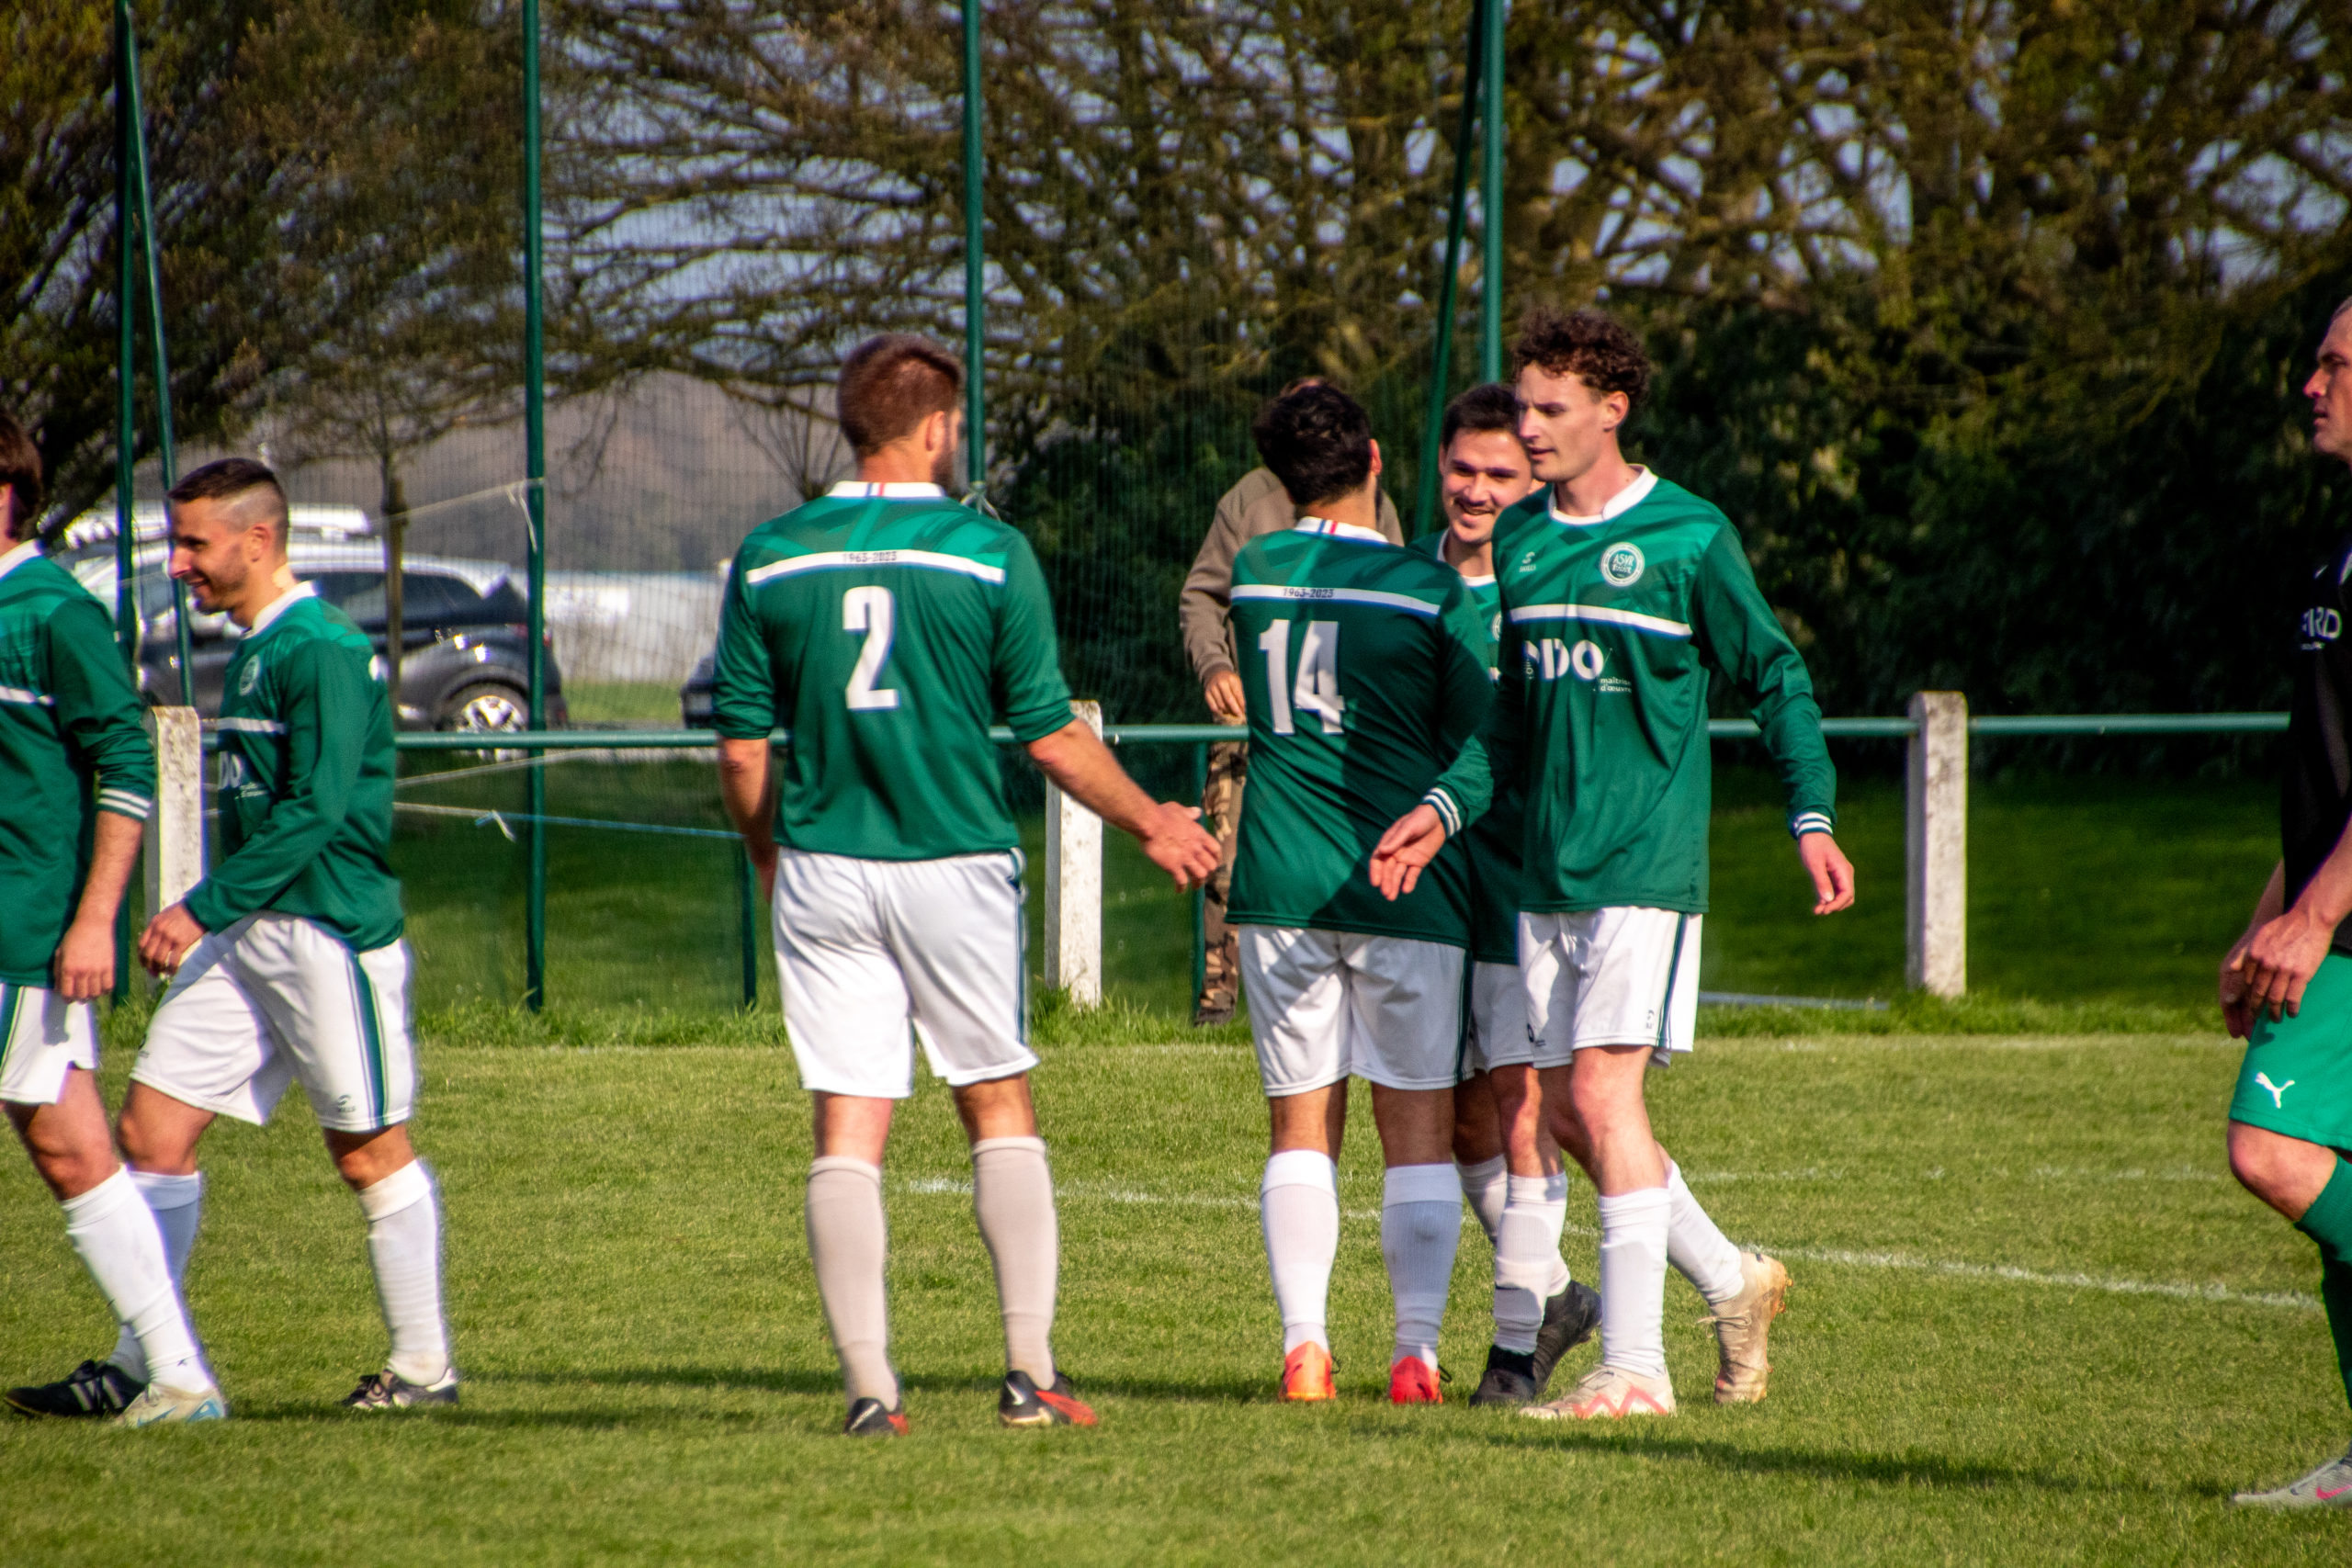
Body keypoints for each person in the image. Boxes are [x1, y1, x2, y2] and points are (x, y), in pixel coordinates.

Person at [713, 333, 1220, 1437]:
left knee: (848, 1123)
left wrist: (766, 852)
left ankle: (868, 1391)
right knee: (995, 1101)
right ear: (938, 428)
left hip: (825, 869)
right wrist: (1152, 820)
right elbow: (1048, 734)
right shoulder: (988, 553)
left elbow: (743, 752)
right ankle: (1027, 1376)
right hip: (953, 865)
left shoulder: (770, 555)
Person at [1374, 307, 1855, 1420]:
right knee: (1568, 1118)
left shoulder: (1686, 537)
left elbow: (1774, 676)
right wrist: (1440, 810)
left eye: (1550, 409)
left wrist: (1812, 814)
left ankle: (1635, 1371)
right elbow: (1509, 726)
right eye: (1522, 406)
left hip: (1643, 868)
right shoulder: (1525, 543)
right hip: (1542, 876)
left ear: (1612, 409)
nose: (1529, 428)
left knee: (1598, 1094)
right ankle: (1730, 1282)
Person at [112, 458, 450, 1415]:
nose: (179, 563)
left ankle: (424, 1369)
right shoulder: (262, 645)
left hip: (325, 936)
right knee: (150, 1131)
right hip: (252, 931)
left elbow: (316, 810)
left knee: (368, 1151)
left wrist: (198, 907)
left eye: (194, 543)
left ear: (257, 540)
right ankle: (149, 1366)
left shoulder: (323, 647)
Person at [1223, 383, 1493, 1405]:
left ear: (1278, 476)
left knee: (1300, 1127)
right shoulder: (1427, 589)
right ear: (1377, 459)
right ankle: (1414, 1354)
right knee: (1415, 1126)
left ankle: (1305, 1349)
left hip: (1280, 882)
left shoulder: (1255, 572)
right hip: (1403, 880)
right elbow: (1482, 733)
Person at [0, 409, 222, 1428]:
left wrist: (95, 921)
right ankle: (173, 1372)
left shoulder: (52, 612)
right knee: (72, 1150)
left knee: (72, 1151)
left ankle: (175, 1374)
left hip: (20, 929)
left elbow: (126, 764)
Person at [1410, 383, 1600, 1406]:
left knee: (1530, 1109)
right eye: (1462, 469)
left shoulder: (1551, 580)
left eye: (1500, 474)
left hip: (1523, 882)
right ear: (1436, 466)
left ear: (1532, 480)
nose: (1477, 490)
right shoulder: (1405, 583)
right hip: (1428, 883)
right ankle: (1561, 1296)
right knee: (1457, 1125)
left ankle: (1513, 1351)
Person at [2221, 296, 2352, 1510]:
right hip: (2328, 913)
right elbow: (2325, 772)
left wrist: (2312, 920)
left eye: (2336, 365)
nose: (2311, 384)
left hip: (2350, 929)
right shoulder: (2336, 553)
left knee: (2269, 1150)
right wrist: (2268, 914)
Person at [1179, 382, 1403, 1025]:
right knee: (1227, 862)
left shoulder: (1372, 499)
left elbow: (1393, 593)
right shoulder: (1248, 501)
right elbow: (1202, 594)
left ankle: (1358, 998)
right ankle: (1218, 1005)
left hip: (1344, 715)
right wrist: (1216, 666)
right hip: (1253, 714)